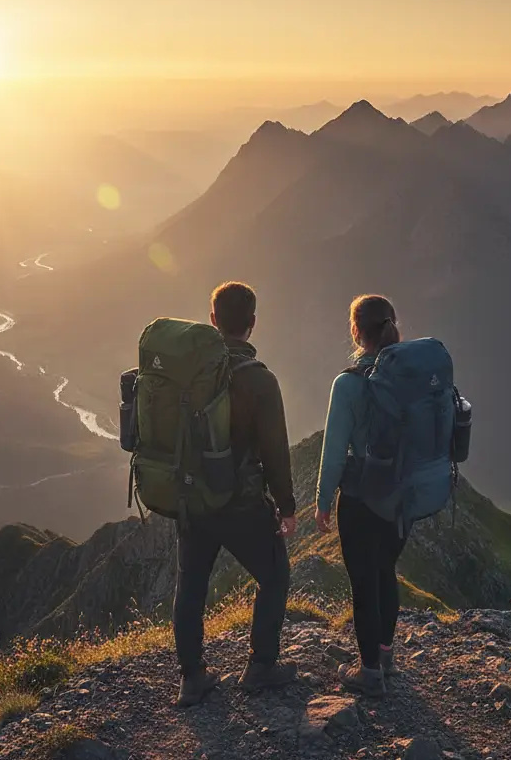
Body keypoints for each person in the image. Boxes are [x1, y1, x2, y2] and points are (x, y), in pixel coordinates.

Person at [173, 281, 298, 706]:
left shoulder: (186, 372)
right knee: (275, 574)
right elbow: (275, 451)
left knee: (191, 584)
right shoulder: (259, 381)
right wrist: (287, 507)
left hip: (193, 498)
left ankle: (193, 677)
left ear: (212, 320)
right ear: (253, 324)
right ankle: (260, 666)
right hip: (240, 503)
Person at [314, 294, 408, 697]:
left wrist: (321, 501)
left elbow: (335, 451)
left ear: (356, 331)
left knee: (363, 582)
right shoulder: (413, 375)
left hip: (358, 497)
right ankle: (385, 654)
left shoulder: (349, 383)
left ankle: (369, 671)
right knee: (386, 570)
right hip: (402, 493)